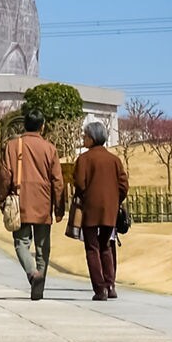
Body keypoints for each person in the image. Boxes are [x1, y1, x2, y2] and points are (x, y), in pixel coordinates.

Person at [0, 110, 65, 300]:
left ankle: (32, 274)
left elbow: (4, 176)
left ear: (25, 125)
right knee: (43, 246)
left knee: (21, 243)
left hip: (19, 200)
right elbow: (58, 181)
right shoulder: (49, 148)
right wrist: (59, 207)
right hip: (43, 202)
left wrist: (1, 198)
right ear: (42, 126)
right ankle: (40, 277)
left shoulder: (12, 146)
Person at [71, 119, 129, 302]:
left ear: (92, 138)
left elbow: (79, 184)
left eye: (85, 136)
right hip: (109, 210)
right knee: (106, 246)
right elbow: (123, 185)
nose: (84, 139)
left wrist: (86, 195)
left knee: (92, 247)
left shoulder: (84, 159)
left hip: (90, 209)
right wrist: (115, 200)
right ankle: (111, 285)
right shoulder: (114, 160)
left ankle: (100, 289)